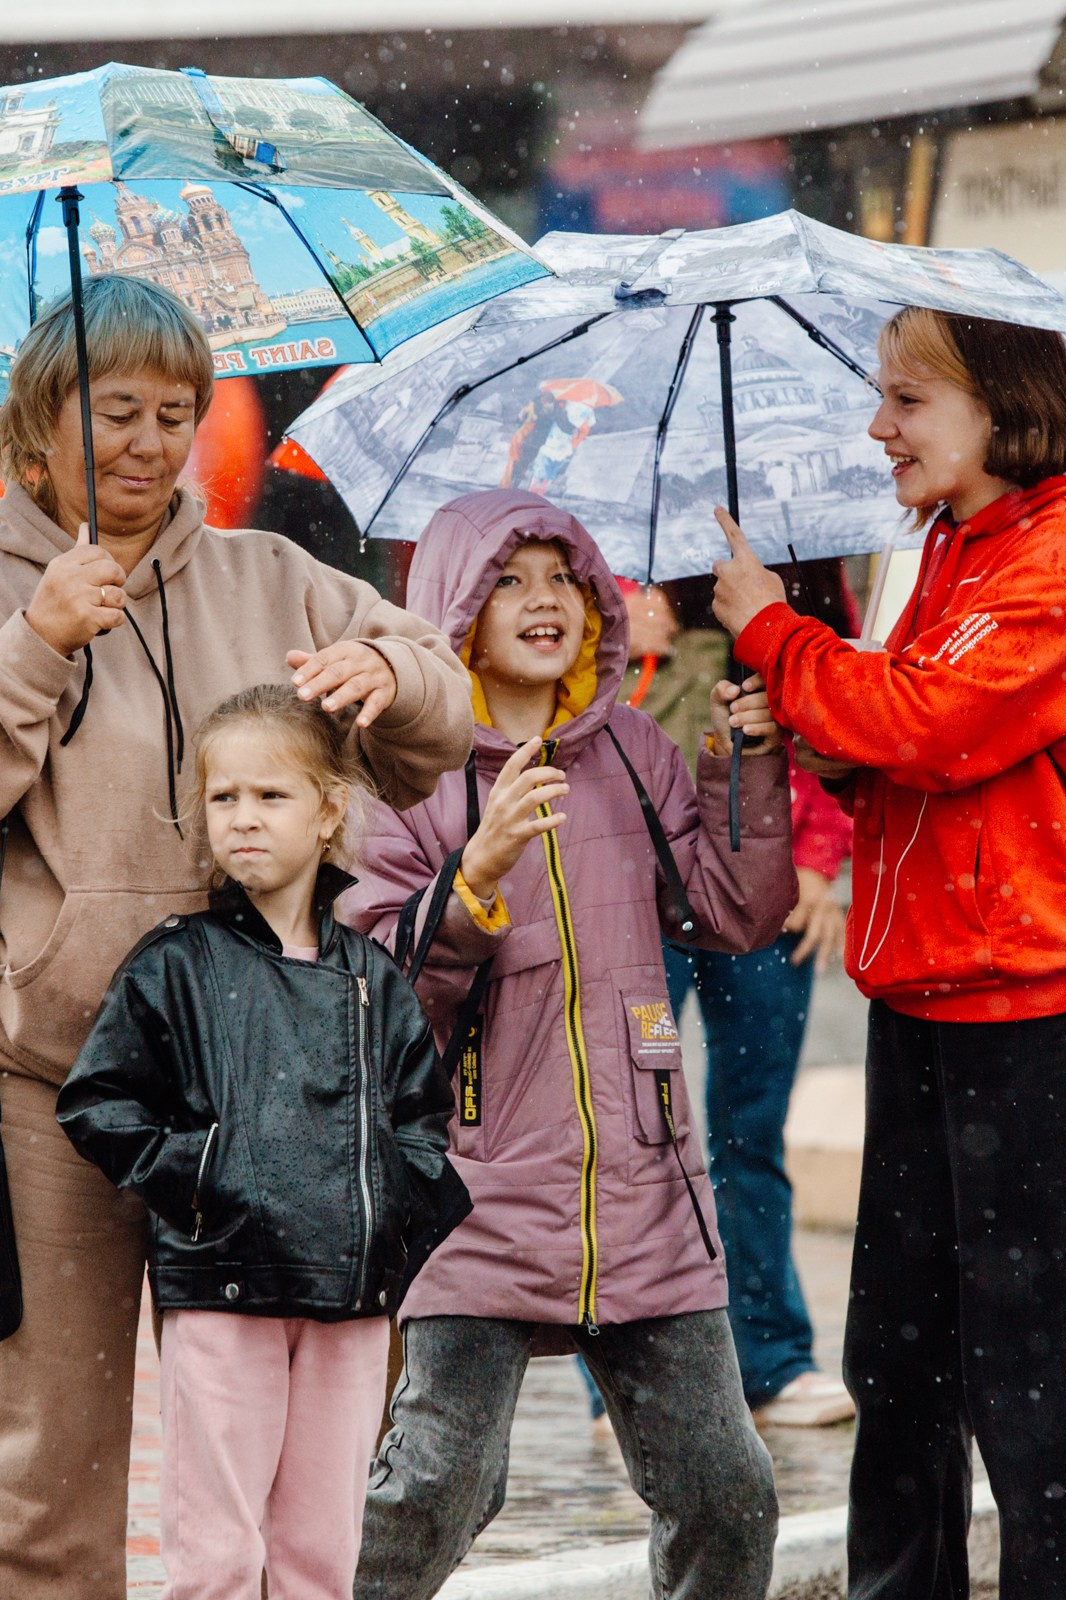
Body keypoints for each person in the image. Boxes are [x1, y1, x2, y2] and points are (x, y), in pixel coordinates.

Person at [0, 275, 471, 1600]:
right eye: (114, 412)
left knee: (273, 1474)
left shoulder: (266, 575)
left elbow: (438, 716)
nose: (146, 442)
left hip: (267, 1105)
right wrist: (32, 642)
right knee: (47, 1463)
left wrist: (397, 679)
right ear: (39, 428)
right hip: (45, 1083)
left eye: (172, 414)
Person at [713, 307, 1066, 1598]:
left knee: (1046, 1400)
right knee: (901, 1369)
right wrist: (806, 723)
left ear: (1001, 404)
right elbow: (899, 753)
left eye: (909, 399)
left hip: (1041, 1016)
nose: (881, 427)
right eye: (883, 397)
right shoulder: (947, 546)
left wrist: (774, 634)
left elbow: (930, 720)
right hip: (932, 997)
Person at [342, 489, 794, 1600]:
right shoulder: (409, 777)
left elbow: (732, 915)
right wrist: (472, 883)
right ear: (454, 610)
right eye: (509, 579)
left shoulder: (634, 750)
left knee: (728, 1493)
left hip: (645, 1192)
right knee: (435, 1487)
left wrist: (745, 770)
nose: (544, 600)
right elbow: (381, 1002)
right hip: (476, 1190)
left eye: (562, 576)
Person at [59, 684, 467, 1600]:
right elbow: (99, 1102)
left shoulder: (371, 975)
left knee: (322, 1554)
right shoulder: (176, 962)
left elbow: (422, 1120)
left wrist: (385, 1216)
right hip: (223, 1287)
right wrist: (210, 1177)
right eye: (224, 797)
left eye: (271, 796)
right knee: (217, 1556)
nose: (243, 818)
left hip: (349, 1302)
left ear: (328, 814)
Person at [590, 575, 857, 1434]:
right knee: (635, 1127)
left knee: (751, 1129)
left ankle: (773, 1360)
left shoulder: (795, 558)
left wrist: (818, 856)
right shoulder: (603, 535)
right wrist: (612, 634)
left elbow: (829, 700)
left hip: (764, 885)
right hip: (635, 886)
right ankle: (624, 1376)